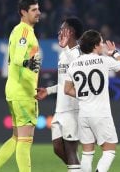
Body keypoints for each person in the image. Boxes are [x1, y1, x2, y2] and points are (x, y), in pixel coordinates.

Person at [64, 29, 120, 172]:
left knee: (87, 153)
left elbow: (67, 89)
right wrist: (115, 53)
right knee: (109, 150)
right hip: (101, 114)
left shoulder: (74, 65)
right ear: (95, 45)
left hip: (83, 114)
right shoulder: (104, 61)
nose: (103, 46)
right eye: (101, 43)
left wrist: (84, 95)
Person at [0, 0, 41, 172]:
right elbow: (19, 59)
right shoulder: (24, 31)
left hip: (14, 89)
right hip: (23, 92)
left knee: (16, 137)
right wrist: (29, 64)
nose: (38, 13)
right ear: (23, 12)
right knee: (26, 141)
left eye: (38, 9)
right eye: (33, 10)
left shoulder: (18, 30)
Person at [34, 17, 84, 172]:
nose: (59, 31)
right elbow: (64, 83)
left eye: (62, 28)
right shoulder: (64, 54)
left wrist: (66, 50)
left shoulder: (79, 54)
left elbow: (78, 75)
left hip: (72, 109)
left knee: (70, 151)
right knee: (57, 148)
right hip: (60, 109)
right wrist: (48, 91)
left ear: (71, 32)